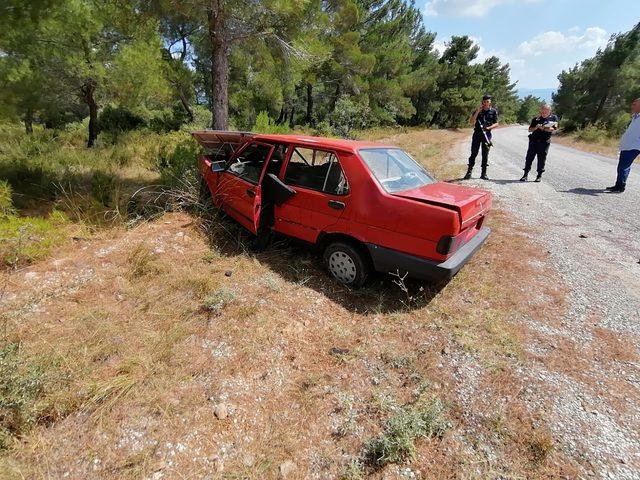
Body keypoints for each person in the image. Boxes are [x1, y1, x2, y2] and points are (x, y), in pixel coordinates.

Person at [606, 98, 640, 193]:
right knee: (623, 166)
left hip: (634, 146)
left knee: (623, 166)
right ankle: (619, 185)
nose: (632, 105)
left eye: (635, 104)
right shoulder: (635, 117)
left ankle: (620, 187)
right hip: (627, 146)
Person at [464, 95, 499, 180]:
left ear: (490, 102)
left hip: (487, 135)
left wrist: (489, 128)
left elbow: (496, 123)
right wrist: (477, 111)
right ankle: (469, 172)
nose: (486, 103)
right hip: (477, 134)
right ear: (482, 102)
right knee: (474, 153)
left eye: (488, 101)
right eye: (484, 101)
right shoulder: (478, 111)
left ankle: (484, 173)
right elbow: (471, 122)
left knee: (485, 154)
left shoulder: (493, 111)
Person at [520, 104, 558, 182]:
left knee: (541, 158)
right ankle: (525, 175)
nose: (544, 113)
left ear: (550, 111)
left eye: (546, 111)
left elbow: (553, 129)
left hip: (544, 142)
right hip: (533, 141)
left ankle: (539, 176)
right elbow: (530, 130)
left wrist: (543, 128)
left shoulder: (554, 118)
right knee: (529, 158)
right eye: (543, 111)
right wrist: (536, 127)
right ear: (541, 110)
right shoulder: (536, 119)